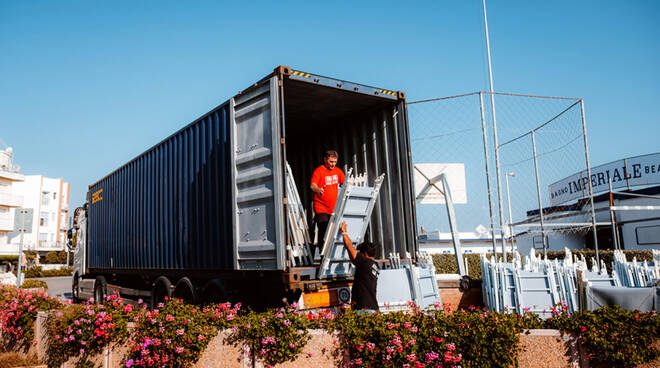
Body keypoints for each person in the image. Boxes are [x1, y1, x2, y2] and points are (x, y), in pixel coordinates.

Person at [310, 150, 345, 257]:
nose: (333, 164)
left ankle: (332, 255)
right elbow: (312, 185)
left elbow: (345, 183)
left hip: (334, 208)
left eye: (335, 162)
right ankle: (323, 255)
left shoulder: (338, 171)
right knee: (324, 230)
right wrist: (318, 189)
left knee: (333, 232)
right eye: (331, 162)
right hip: (321, 207)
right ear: (325, 160)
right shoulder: (319, 171)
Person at [340, 221, 379, 311]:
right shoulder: (373, 265)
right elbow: (354, 259)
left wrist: (344, 232)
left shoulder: (365, 262)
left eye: (360, 253)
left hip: (364, 309)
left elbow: (350, 247)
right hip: (372, 307)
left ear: (365, 254)